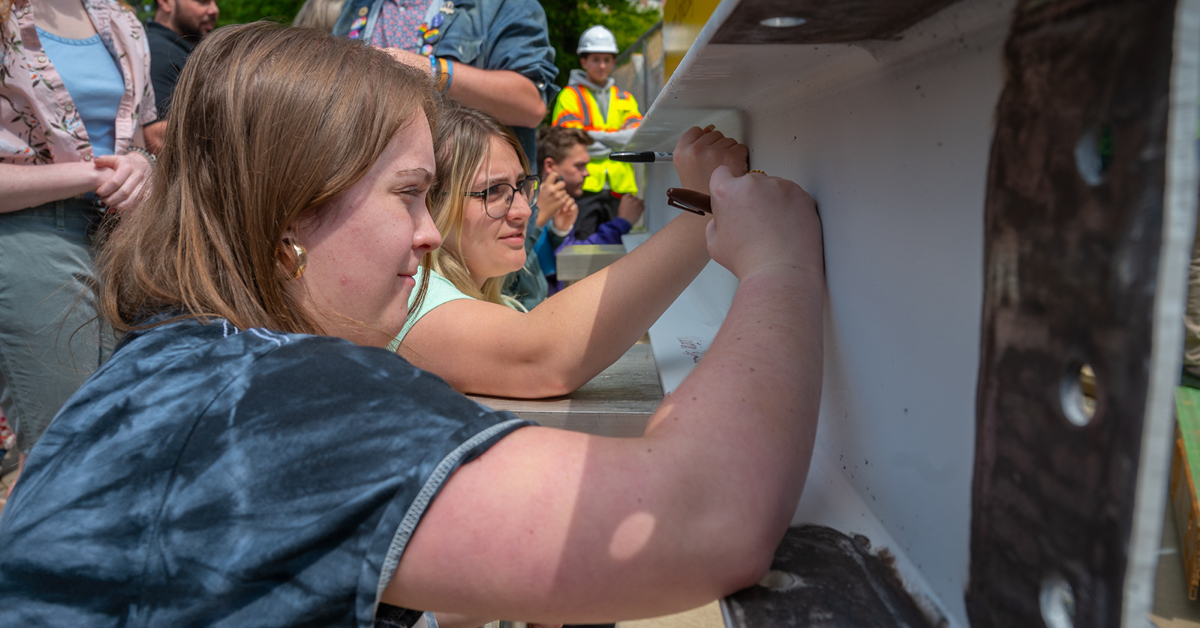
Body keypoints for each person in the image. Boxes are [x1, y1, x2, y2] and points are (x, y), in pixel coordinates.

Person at [0, 22, 826, 628]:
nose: (429, 235)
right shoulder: (281, 398)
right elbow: (703, 521)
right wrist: (779, 267)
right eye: (408, 194)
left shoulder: (162, 366)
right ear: (292, 210)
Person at [393, 102, 740, 402]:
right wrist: (704, 209)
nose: (523, 211)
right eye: (493, 191)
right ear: (431, 204)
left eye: (520, 187)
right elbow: (542, 357)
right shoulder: (408, 291)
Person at [0, 0, 156, 499]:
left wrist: (143, 165)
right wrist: (90, 175)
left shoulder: (120, 18)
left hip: (126, 241)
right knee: (66, 455)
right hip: (29, 234)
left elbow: (145, 137)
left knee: (130, 443)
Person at [331, 0, 556, 167]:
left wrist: (431, 71)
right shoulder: (359, 4)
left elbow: (531, 105)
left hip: (460, 200)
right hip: (364, 185)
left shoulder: (504, 5)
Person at [550, 25, 642, 241]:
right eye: (595, 59)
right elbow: (570, 142)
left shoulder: (625, 98)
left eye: (607, 60)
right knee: (582, 249)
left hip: (620, 190)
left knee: (620, 254)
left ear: (613, 62)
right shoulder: (569, 96)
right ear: (583, 61)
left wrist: (591, 136)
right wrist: (617, 141)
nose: (602, 65)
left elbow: (635, 140)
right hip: (584, 187)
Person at [532, 125, 645, 291]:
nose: (587, 173)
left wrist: (560, 234)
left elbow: (568, 253)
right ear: (550, 166)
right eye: (579, 166)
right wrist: (622, 223)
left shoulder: (555, 206)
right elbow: (573, 261)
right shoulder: (529, 209)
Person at [142, 0, 218, 153]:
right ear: (165, 2)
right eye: (203, 2)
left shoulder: (185, 52)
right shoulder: (159, 53)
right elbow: (156, 136)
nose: (214, 10)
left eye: (216, 2)